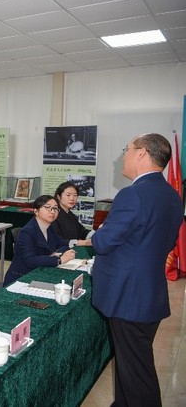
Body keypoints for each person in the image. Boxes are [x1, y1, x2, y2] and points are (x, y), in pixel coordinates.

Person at [89, 134, 182, 407]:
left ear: (141, 153)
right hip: (148, 294)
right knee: (130, 364)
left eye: (126, 149)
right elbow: (167, 243)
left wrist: (99, 232)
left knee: (137, 374)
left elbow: (103, 243)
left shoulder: (132, 194)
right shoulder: (172, 195)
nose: (123, 156)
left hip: (128, 297)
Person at [3, 195, 76, 286]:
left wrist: (57, 254)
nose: (52, 211)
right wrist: (59, 260)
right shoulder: (27, 232)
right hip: (21, 278)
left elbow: (63, 245)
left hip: (39, 273)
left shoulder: (49, 228)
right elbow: (30, 260)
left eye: (55, 208)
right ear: (36, 211)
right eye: (48, 207)